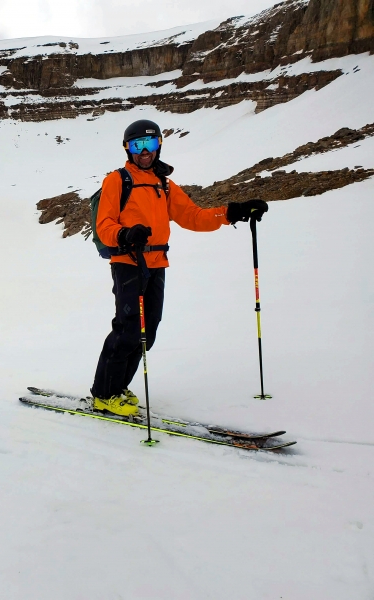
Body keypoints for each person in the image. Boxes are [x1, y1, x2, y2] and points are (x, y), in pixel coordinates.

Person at [91, 119, 267, 417]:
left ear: (159, 145)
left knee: (149, 330)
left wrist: (231, 212)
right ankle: (104, 394)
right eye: (138, 145)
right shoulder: (117, 180)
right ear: (128, 149)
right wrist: (125, 234)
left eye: (150, 144)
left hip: (157, 263)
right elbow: (105, 224)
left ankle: (119, 387)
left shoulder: (164, 185)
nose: (144, 151)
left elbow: (193, 217)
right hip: (128, 262)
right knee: (129, 328)